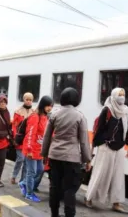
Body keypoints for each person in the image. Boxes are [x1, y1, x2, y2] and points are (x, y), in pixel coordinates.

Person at [42, 87, 91, 217]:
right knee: (70, 189)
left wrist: (44, 154)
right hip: (71, 158)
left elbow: (46, 136)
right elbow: (84, 141)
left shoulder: (54, 115)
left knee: (54, 187)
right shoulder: (80, 116)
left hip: (55, 155)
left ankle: (54, 214)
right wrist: (87, 159)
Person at [85, 87, 128, 213]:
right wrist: (95, 145)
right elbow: (99, 129)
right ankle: (89, 197)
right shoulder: (107, 109)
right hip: (106, 146)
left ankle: (116, 203)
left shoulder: (126, 110)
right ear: (114, 96)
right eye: (119, 94)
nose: (122, 97)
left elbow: (127, 128)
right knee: (100, 172)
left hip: (120, 146)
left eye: (123, 94)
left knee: (118, 176)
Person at [21, 95, 53, 202]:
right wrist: (29, 149)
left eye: (51, 106)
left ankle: (24, 183)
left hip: (39, 150)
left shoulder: (45, 117)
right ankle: (29, 194)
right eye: (48, 106)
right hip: (31, 149)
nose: (50, 108)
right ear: (43, 105)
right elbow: (30, 134)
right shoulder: (35, 117)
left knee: (40, 169)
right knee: (32, 172)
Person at [11, 92, 34, 185]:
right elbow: (14, 125)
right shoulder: (18, 111)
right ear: (23, 100)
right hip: (19, 139)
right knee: (20, 158)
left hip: (28, 140)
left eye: (30, 100)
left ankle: (22, 179)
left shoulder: (33, 112)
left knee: (26, 161)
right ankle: (14, 176)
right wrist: (15, 137)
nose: (28, 101)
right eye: (27, 99)